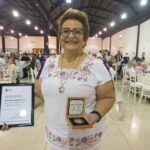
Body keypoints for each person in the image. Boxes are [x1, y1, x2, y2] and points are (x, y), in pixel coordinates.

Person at [1, 8, 115, 150]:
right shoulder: (47, 63)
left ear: (85, 38)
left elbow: (108, 97)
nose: (71, 35)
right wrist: (12, 117)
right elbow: (38, 95)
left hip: (86, 140)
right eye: (66, 31)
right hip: (54, 138)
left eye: (77, 31)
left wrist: (95, 116)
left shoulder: (97, 65)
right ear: (60, 36)